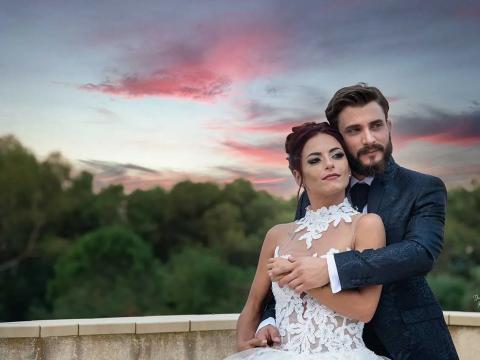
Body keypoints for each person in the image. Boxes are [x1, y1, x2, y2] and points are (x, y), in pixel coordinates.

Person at [255, 84, 459, 359]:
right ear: (337, 137)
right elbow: (296, 262)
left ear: (389, 126)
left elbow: (420, 253)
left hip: (412, 345)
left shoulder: (423, 187)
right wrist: (270, 319)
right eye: (354, 130)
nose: (369, 138)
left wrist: (330, 267)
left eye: (376, 126)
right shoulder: (315, 194)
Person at [226, 122, 390, 359]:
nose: (330, 164)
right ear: (298, 175)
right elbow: (253, 304)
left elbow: (365, 309)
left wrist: (301, 278)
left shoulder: (366, 225)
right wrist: (245, 347)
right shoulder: (278, 234)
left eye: (337, 155)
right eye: (315, 160)